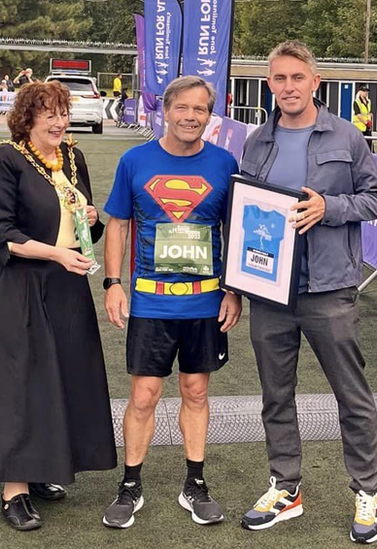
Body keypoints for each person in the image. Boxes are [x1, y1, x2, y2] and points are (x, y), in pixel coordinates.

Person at [0, 81, 116, 532]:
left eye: (63, 112)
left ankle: (43, 470)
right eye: (49, 113)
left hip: (64, 284)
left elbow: (84, 227)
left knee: (59, 376)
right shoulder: (5, 159)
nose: (59, 121)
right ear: (27, 118)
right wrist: (56, 253)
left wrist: (91, 220)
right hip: (14, 283)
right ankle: (13, 490)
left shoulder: (73, 158)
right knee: (18, 382)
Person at [238, 41, 377, 544]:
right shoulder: (257, 141)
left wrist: (331, 207)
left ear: (315, 82)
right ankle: (286, 487)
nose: (287, 87)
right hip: (269, 291)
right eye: (278, 78)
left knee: (352, 397)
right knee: (276, 396)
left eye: (296, 77)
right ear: (270, 84)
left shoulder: (347, 136)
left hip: (329, 290)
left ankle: (367, 492)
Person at [100, 75, 241, 529]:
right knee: (144, 395)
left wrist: (234, 290)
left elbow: (235, 230)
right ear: (166, 109)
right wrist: (113, 283)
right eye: (183, 108)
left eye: (200, 110)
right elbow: (118, 224)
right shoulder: (135, 161)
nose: (191, 117)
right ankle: (130, 485)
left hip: (204, 303)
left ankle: (194, 483)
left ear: (209, 115)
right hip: (150, 303)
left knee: (196, 391)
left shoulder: (224, 163)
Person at [352, 83, 374, 149]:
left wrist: (369, 121)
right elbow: (358, 115)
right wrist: (366, 122)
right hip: (359, 127)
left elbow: (369, 113)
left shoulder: (368, 102)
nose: (366, 93)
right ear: (360, 92)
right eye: (364, 91)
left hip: (367, 127)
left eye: (367, 91)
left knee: (369, 143)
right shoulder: (357, 102)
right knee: (360, 145)